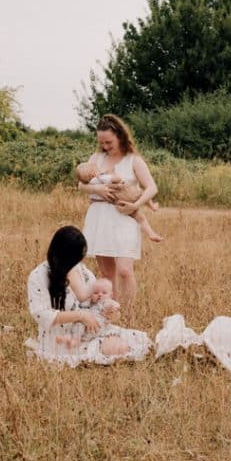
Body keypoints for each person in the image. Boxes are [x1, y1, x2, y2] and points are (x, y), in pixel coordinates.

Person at [25, 226, 150, 366]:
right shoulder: (38, 276)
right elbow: (43, 315)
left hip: (91, 330)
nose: (76, 263)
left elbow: (98, 299)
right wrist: (81, 316)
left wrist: (110, 313)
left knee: (139, 341)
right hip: (63, 338)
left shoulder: (80, 270)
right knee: (117, 347)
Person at [79, 114, 159, 322]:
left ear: (121, 136)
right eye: (101, 143)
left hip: (123, 216)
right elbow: (81, 184)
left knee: (124, 269)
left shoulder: (134, 160)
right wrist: (99, 188)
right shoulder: (96, 159)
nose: (105, 146)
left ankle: (129, 315)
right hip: (99, 216)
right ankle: (111, 314)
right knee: (106, 273)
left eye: (109, 142)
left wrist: (136, 205)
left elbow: (152, 187)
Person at [77, 161, 163, 242]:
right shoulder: (102, 177)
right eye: (94, 168)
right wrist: (111, 173)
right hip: (125, 195)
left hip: (118, 203)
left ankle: (151, 233)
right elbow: (117, 179)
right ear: (92, 173)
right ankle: (152, 207)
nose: (98, 168)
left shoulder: (91, 183)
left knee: (138, 216)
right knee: (142, 193)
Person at [54, 277, 127, 353]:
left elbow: (115, 306)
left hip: (97, 327)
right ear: (91, 295)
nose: (99, 295)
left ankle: (75, 340)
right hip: (84, 326)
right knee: (78, 325)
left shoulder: (106, 302)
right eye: (96, 293)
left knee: (81, 327)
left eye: (104, 293)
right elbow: (82, 306)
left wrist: (113, 307)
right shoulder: (91, 303)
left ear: (111, 295)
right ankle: (71, 339)